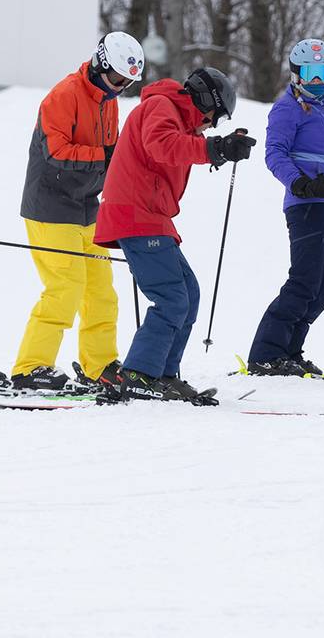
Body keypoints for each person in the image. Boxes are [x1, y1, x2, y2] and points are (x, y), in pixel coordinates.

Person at [93, 66, 255, 404]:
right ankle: (139, 374)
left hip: (151, 217)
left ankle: (163, 373)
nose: (211, 125)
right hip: (135, 215)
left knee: (189, 294)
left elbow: (185, 146)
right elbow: (162, 145)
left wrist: (223, 148)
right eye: (215, 118)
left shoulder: (180, 120)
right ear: (207, 101)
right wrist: (215, 148)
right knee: (171, 298)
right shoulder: (161, 107)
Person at [2, 31, 146, 395]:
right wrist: (103, 158)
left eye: (127, 84)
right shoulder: (64, 95)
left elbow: (110, 150)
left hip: (86, 206)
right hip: (49, 206)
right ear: (100, 65)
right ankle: (29, 368)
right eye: (116, 79)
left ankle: (99, 366)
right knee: (65, 287)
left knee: (101, 291)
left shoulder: (108, 101)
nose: (119, 88)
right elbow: (55, 152)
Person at [246, 37, 324, 378]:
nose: (316, 81)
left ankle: (290, 351)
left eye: (322, 72)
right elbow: (274, 153)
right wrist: (301, 183)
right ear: (296, 74)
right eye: (310, 73)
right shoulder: (288, 108)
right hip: (307, 204)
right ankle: (266, 354)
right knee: (304, 282)